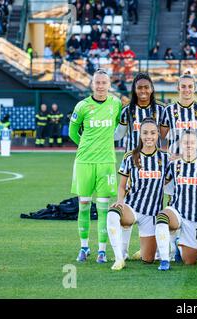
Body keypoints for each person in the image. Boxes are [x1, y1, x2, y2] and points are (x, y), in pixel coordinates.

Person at [69, 69, 123, 264]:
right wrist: (85, 146)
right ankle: (84, 247)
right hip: (84, 162)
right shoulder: (82, 106)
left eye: (104, 82)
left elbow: (120, 127)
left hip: (106, 163)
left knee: (103, 208)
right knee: (83, 205)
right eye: (97, 82)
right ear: (92, 85)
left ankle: (102, 250)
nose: (100, 86)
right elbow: (72, 132)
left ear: (109, 85)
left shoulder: (116, 104)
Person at [154, 130, 197, 270]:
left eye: (192, 142)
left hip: (195, 217)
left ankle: (178, 244)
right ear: (180, 144)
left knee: (190, 261)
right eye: (185, 142)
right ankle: (164, 259)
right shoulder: (174, 165)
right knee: (162, 217)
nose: (188, 145)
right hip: (176, 211)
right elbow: (161, 183)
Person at [160, 71, 197, 261]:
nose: (187, 90)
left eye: (190, 86)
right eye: (183, 86)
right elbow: (163, 135)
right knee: (172, 202)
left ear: (195, 89)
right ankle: (172, 247)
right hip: (175, 166)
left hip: (196, 166)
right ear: (177, 88)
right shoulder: (169, 110)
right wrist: (171, 153)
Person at [107, 119, 170, 270]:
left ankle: (145, 249)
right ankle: (119, 258)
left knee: (148, 259)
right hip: (132, 208)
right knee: (113, 213)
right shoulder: (131, 156)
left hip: (152, 214)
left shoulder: (165, 158)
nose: (149, 136)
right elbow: (122, 186)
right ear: (140, 135)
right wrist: (120, 201)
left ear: (158, 135)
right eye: (145, 133)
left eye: (153, 133)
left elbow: (170, 184)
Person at [115, 73, 165, 152]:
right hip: (131, 158)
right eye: (139, 88)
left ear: (151, 89)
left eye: (146, 87)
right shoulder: (127, 110)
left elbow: (167, 135)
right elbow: (118, 135)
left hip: (155, 160)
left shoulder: (162, 109)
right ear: (135, 90)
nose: (143, 91)